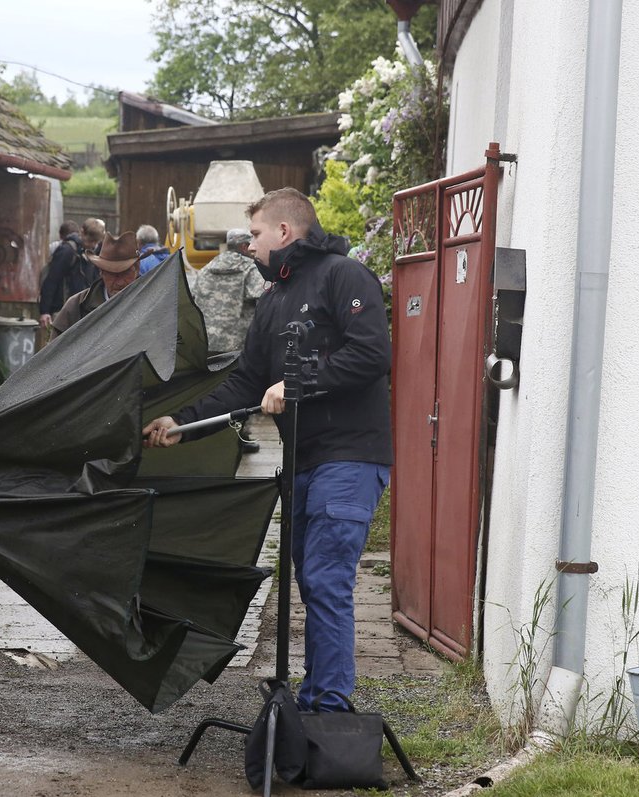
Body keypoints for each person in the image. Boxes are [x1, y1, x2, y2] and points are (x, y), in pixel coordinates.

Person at [143, 188, 393, 712]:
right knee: (309, 580)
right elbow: (246, 383)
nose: (249, 245)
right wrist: (182, 425)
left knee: (326, 580)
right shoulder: (275, 297)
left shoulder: (343, 276)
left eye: (255, 234)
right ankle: (314, 699)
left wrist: (299, 383)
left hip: (348, 457)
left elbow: (371, 354)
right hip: (301, 460)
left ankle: (328, 710)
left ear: (284, 231)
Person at [191, 227, 267, 453]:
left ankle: (208, 436)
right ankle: (239, 438)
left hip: (208, 342)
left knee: (210, 392)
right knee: (237, 392)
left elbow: (193, 296)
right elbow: (263, 297)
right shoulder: (249, 268)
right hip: (237, 344)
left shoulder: (207, 268)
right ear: (244, 247)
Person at [50, 230, 140, 335]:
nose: (119, 282)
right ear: (101, 272)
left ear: (137, 269)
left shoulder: (152, 300)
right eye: (112, 274)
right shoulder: (76, 307)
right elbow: (57, 349)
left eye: (125, 273)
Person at [38, 220, 97, 329]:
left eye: (95, 241)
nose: (92, 244)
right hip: (62, 310)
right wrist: (45, 311)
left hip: (78, 311)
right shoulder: (67, 251)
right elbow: (51, 280)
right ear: (82, 232)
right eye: (90, 240)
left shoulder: (85, 252)